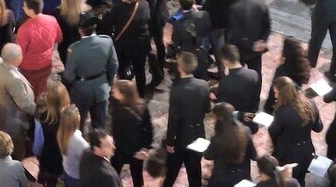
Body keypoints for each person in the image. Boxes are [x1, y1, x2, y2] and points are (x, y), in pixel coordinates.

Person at [62, 11, 118, 130]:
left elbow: (69, 75)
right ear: (95, 27)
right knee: (100, 126)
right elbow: (114, 65)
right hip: (101, 88)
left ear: (80, 30)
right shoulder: (107, 41)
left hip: (81, 91)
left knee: (78, 125)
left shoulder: (74, 49)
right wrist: (108, 82)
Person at [162, 51, 210, 187]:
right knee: (195, 174)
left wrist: (170, 142)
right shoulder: (203, 85)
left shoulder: (176, 91)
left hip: (181, 138)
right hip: (198, 134)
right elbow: (207, 109)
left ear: (179, 67)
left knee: (171, 173)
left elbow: (173, 119)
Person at [268, 75, 322, 183]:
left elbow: (273, 131)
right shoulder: (311, 103)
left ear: (283, 94)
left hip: (287, 154)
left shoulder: (282, 111)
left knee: (286, 181)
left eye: (276, 93)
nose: (275, 95)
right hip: (306, 150)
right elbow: (318, 128)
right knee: (300, 179)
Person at [101, 0, 151, 95]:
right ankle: (141, 93)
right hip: (141, 45)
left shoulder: (119, 9)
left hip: (124, 46)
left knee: (123, 69)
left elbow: (107, 23)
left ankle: (125, 94)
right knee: (140, 70)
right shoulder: (144, 5)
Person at [0, 44, 36, 160]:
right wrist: (40, 111)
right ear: (16, 59)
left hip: (1, 112)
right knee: (17, 145)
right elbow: (24, 104)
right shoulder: (13, 80)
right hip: (14, 119)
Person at [15, 0, 62, 97]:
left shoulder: (24, 29)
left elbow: (19, 52)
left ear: (31, 10)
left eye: (24, 6)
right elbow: (59, 38)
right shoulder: (52, 19)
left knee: (30, 92)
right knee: (43, 90)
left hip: (29, 68)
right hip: (47, 63)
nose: (23, 8)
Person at [109, 80, 153, 187]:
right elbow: (149, 129)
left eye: (116, 91)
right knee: (137, 177)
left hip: (121, 150)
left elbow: (118, 136)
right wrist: (145, 148)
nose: (113, 92)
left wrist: (135, 152)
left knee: (113, 175)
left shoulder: (118, 111)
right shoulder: (142, 106)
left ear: (123, 94)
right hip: (138, 150)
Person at [203, 103, 256, 187]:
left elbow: (208, 156)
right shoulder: (246, 131)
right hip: (242, 176)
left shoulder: (217, 138)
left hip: (222, 179)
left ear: (219, 118)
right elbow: (254, 155)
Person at [227, 0, 270, 76]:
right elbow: (267, 25)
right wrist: (262, 41)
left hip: (240, 50)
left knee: (237, 75)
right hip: (258, 48)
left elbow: (236, 33)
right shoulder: (260, 1)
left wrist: (251, 45)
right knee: (256, 74)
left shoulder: (235, 8)